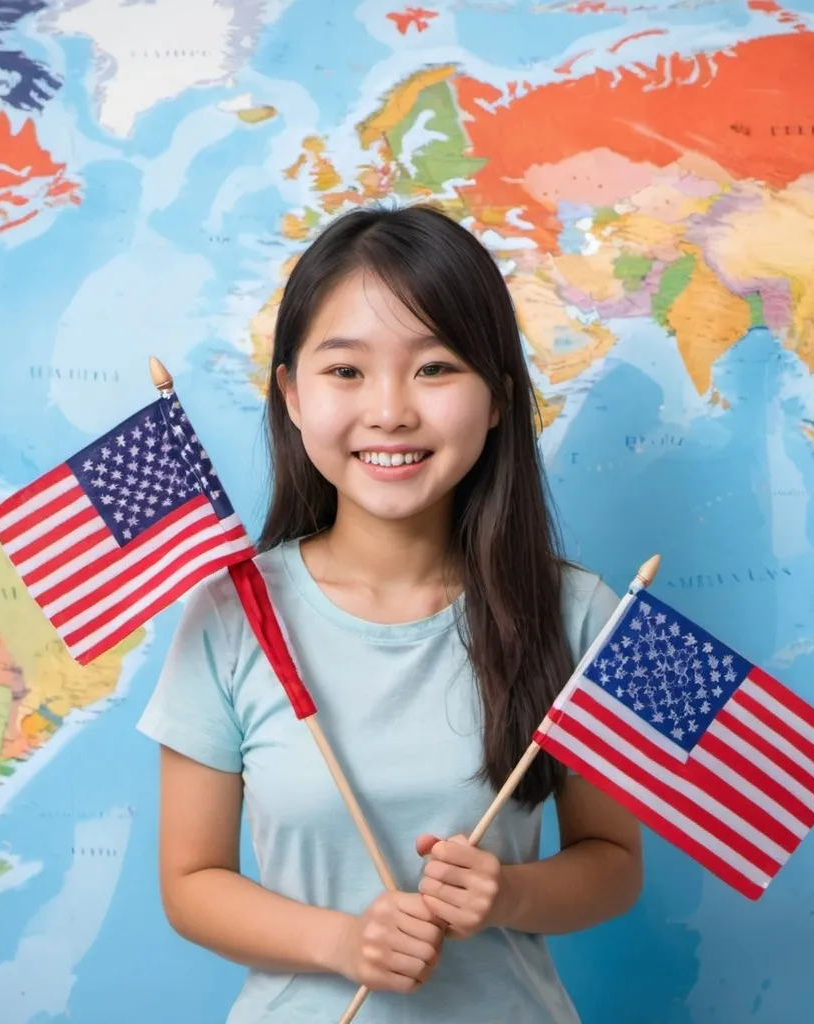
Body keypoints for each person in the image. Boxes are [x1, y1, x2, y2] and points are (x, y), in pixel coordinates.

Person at [136, 202, 643, 1022]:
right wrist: (342, 943)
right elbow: (192, 884)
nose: (391, 411)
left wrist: (508, 894)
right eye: (345, 371)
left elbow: (613, 863)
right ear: (292, 396)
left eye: (435, 368)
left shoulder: (578, 613)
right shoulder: (232, 615)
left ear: (498, 400)